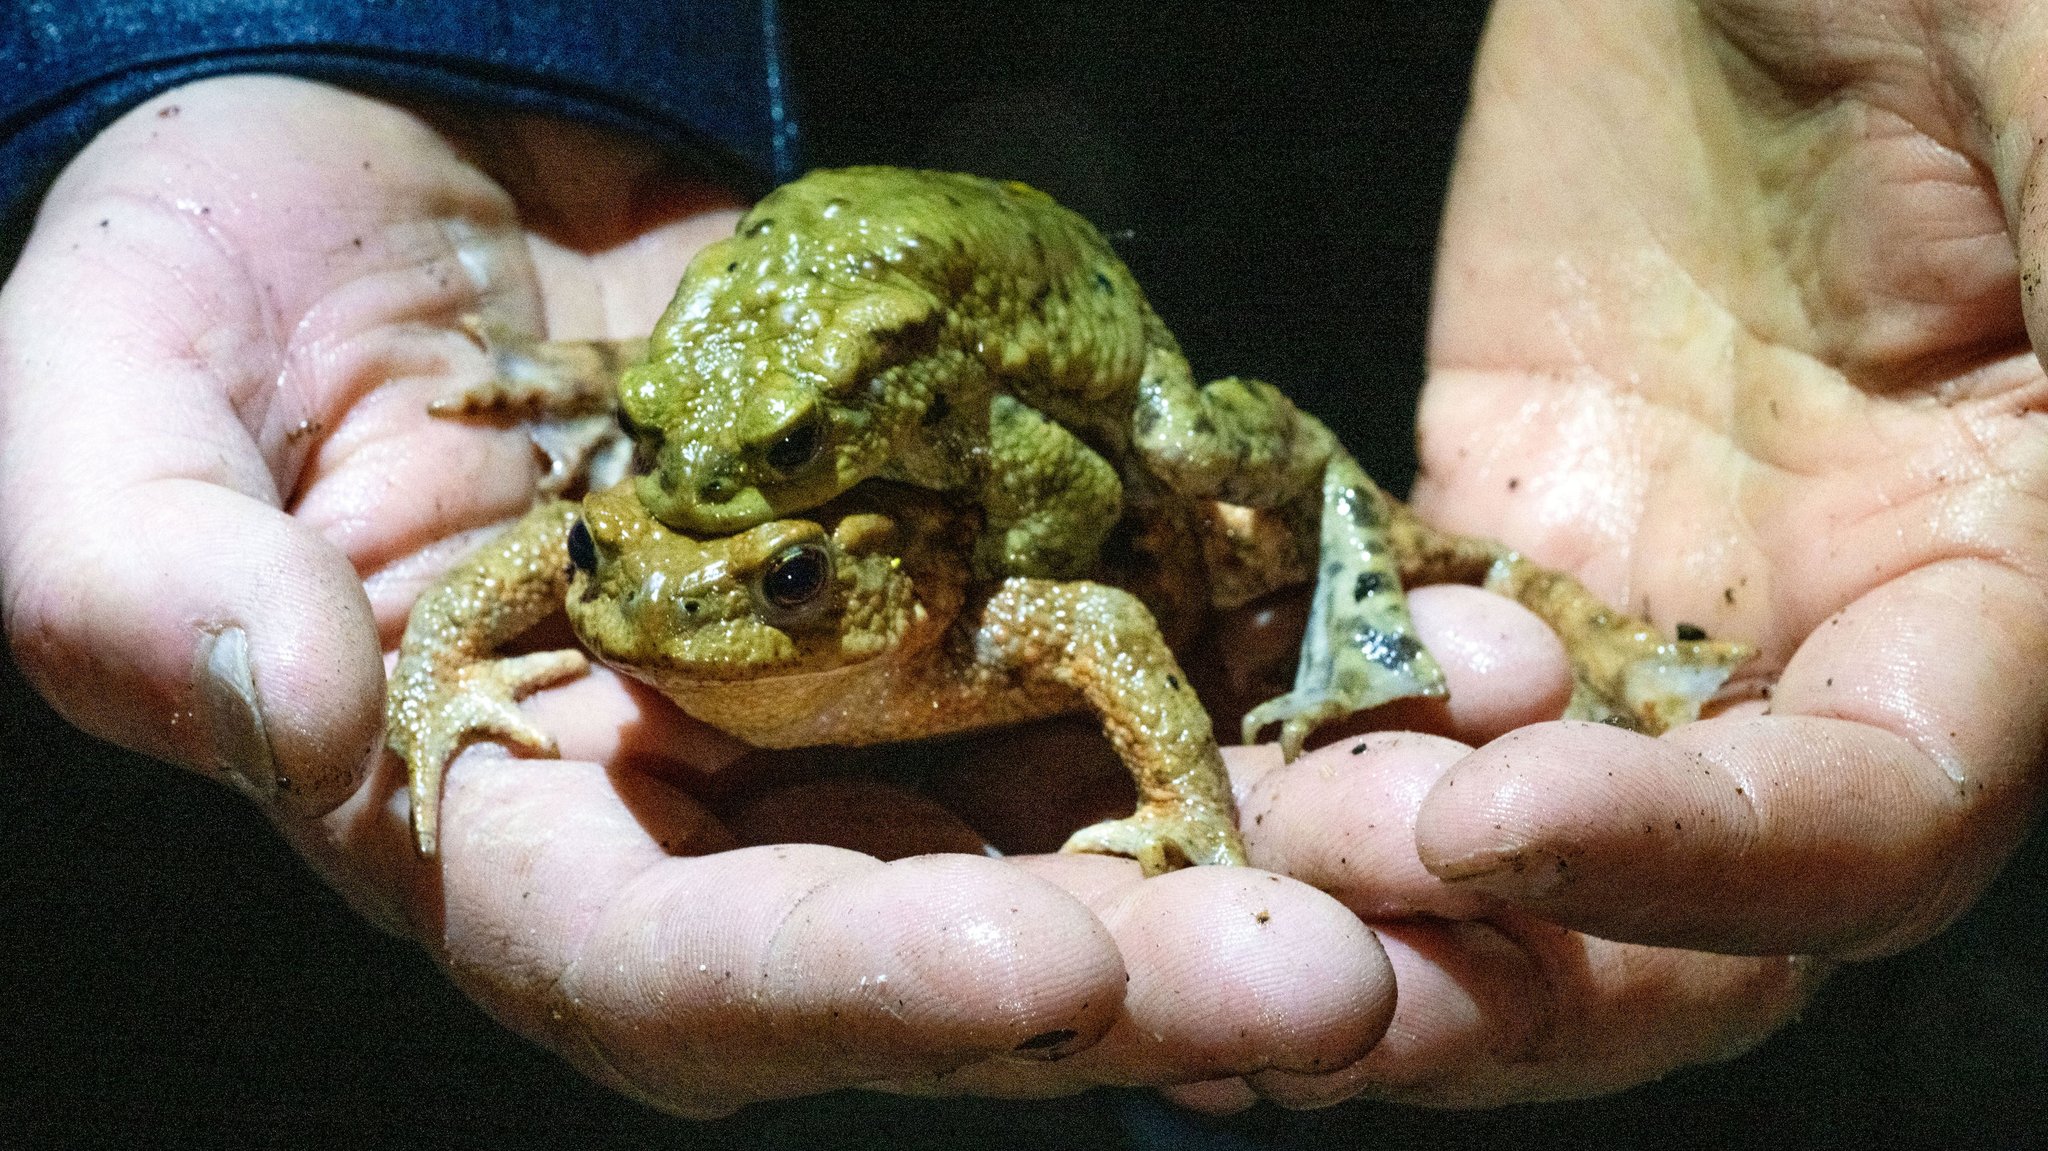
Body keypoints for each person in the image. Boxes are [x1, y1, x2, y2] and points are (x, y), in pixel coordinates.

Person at [1, 0, 2038, 1124]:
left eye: (783, 561)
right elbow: (573, 543)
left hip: (1295, 251)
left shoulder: (973, 554)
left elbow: (1075, 573)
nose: (670, 587)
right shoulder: (676, 508)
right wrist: (362, 35)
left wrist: (1182, 809)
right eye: (629, 542)